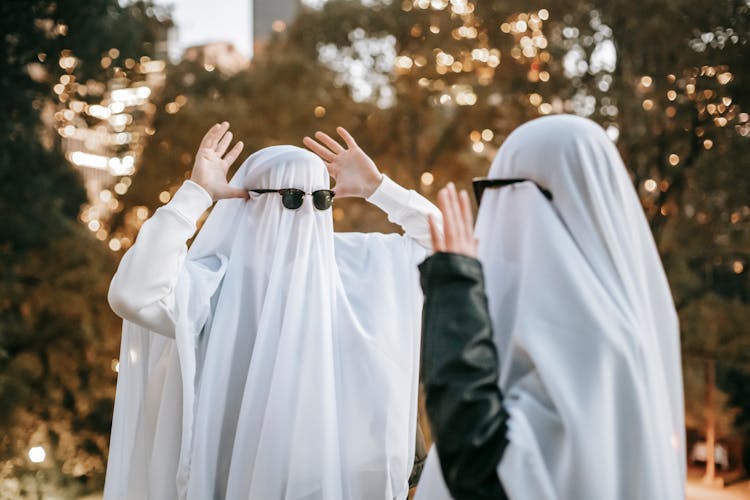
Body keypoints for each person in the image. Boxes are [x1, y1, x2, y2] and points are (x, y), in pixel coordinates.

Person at [104, 122, 441, 500]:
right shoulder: (213, 285)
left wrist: (378, 188)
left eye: (321, 199)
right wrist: (195, 195)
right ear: (247, 202)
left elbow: (445, 249)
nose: (307, 213)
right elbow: (133, 294)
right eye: (293, 199)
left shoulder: (356, 266)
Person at [414, 115, 686, 500]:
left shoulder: (590, 338)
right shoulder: (621, 329)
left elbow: (483, 473)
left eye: (494, 191)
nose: (490, 211)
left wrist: (456, 291)